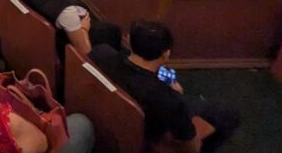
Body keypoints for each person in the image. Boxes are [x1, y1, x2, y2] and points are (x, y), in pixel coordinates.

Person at [90, 21, 239, 151]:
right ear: (166, 54)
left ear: (129, 40)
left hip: (103, 117)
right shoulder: (168, 99)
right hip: (147, 136)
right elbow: (188, 142)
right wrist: (176, 95)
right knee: (226, 114)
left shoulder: (100, 53)